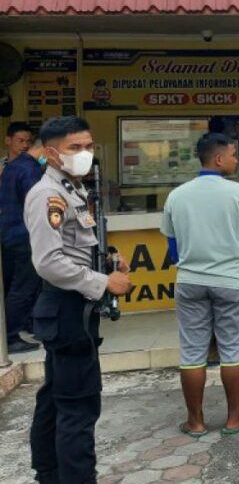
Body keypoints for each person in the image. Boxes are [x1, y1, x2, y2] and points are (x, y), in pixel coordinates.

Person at [24, 116, 132, 483]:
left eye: (88, 146)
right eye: (75, 148)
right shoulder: (48, 195)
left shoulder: (73, 189)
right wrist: (105, 282)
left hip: (71, 309)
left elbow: (75, 246)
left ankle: (50, 475)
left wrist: (109, 256)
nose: (85, 154)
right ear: (51, 153)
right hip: (67, 308)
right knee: (79, 407)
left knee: (57, 398)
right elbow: (49, 262)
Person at [161, 132, 239, 437]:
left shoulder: (176, 196)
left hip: (190, 281)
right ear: (218, 159)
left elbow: (173, 248)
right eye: (233, 155)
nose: (236, 159)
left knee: (192, 353)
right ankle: (235, 418)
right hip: (232, 281)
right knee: (232, 351)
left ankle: (196, 421)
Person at [2, 135, 45, 352]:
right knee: (23, 288)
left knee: (15, 287)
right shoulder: (31, 171)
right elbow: (36, 204)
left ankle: (27, 324)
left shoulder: (13, 166)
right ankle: (10, 337)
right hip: (25, 236)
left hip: (10, 234)